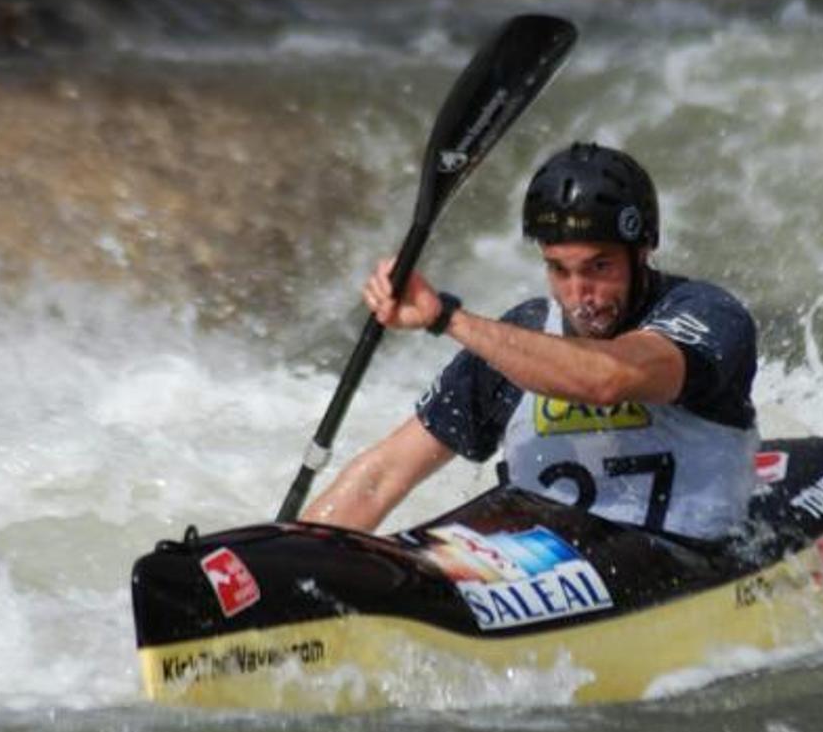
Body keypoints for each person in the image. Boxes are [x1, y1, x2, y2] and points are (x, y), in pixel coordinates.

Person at [300, 142, 759, 540]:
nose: (580, 295)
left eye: (600, 267)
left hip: (689, 564)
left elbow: (610, 378)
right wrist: (292, 559)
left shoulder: (705, 313)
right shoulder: (521, 338)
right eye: (559, 269)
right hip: (545, 572)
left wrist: (445, 318)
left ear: (643, 252)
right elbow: (382, 476)